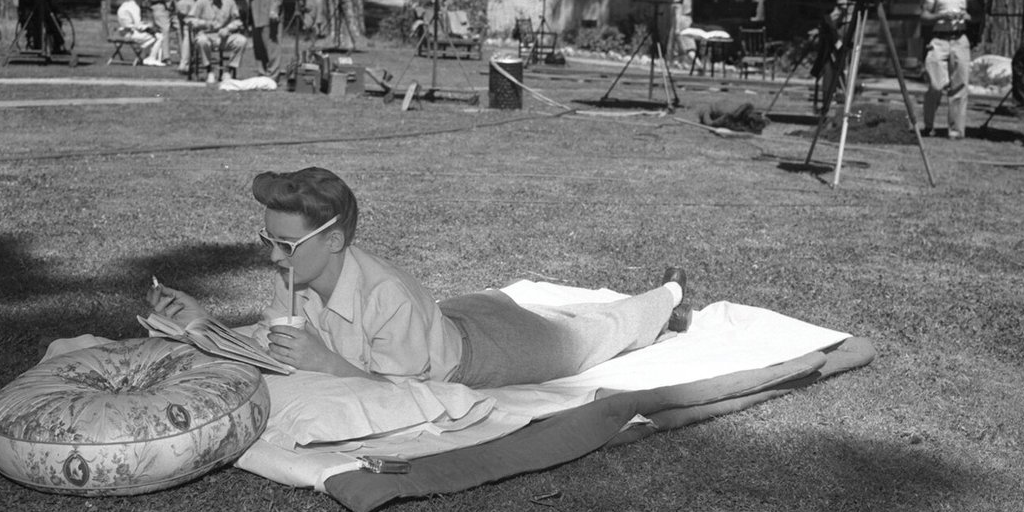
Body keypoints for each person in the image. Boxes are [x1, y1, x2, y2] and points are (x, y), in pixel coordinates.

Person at [146, 168, 693, 387]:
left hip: (482, 355)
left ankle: (669, 296)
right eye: (268, 241)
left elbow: (404, 394)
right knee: (550, 313)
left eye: (284, 245)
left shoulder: (386, 297)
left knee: (594, 334)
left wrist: (327, 363)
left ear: (333, 240)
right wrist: (201, 324)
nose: (272, 257)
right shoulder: (294, 273)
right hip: (453, 317)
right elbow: (274, 350)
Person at [919, 0, 979, 139]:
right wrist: (940, 15)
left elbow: (977, 15)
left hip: (960, 40)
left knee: (959, 87)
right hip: (939, 40)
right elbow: (924, 15)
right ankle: (928, 125)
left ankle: (956, 131)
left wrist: (966, 16)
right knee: (936, 85)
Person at [188, 0, 247, 84]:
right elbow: (190, 20)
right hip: (207, 36)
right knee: (201, 41)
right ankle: (209, 71)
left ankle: (228, 71)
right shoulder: (202, 1)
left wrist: (228, 28)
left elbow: (238, 21)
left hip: (224, 37)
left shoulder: (228, 1)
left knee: (241, 40)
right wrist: (206, 24)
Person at [115, 0, 164, 64]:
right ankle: (151, 58)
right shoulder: (134, 7)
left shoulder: (126, 4)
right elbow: (138, 26)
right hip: (131, 33)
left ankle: (144, 57)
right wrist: (149, 28)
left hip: (124, 32)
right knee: (159, 36)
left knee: (153, 35)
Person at [145, 0, 175, 64]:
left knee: (182, 29)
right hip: (159, 7)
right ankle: (166, 57)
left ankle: (186, 56)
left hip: (174, 6)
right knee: (165, 29)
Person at [667, 0, 694, 66]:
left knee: (684, 45)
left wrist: (677, 28)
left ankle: (697, 64)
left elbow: (677, 15)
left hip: (680, 22)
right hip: (688, 20)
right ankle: (680, 63)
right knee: (686, 44)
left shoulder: (677, 1)